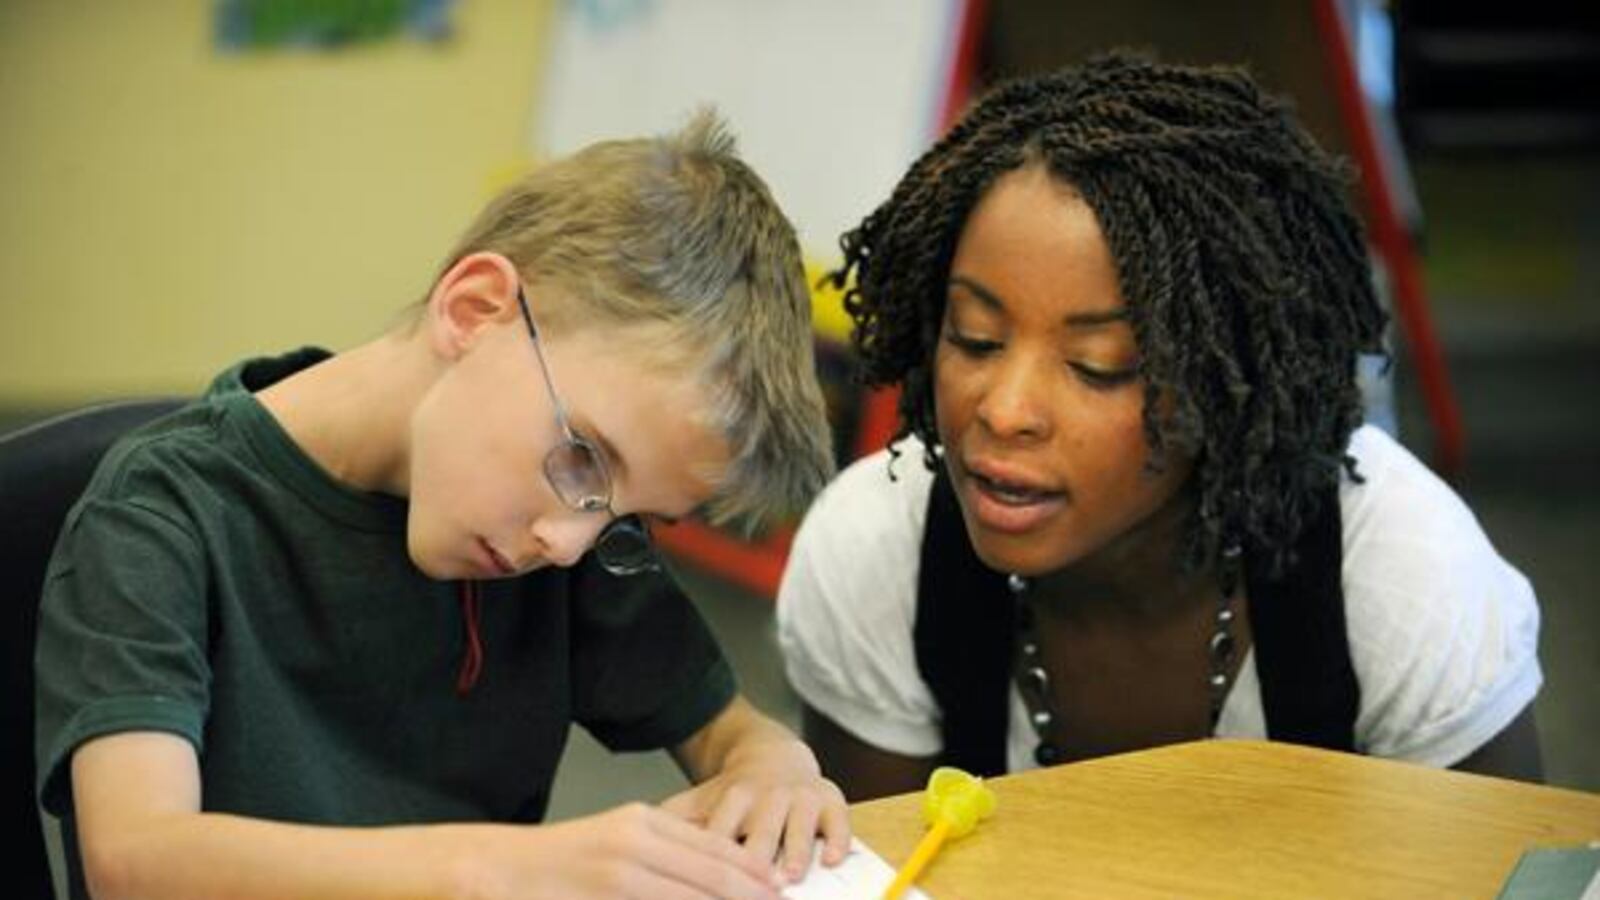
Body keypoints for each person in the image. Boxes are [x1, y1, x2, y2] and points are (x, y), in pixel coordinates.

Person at [36, 111, 850, 900]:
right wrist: (496, 871)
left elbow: (729, 730)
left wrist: (771, 767)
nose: (567, 544)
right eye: (584, 458)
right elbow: (138, 861)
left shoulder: (566, 533)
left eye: (622, 519)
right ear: (475, 311)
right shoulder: (160, 515)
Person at [777, 51, 1544, 802]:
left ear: (1224, 382)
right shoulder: (877, 551)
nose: (1004, 411)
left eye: (1097, 364)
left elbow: (1510, 880)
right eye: (975, 338)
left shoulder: (1402, 580)